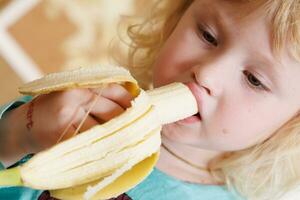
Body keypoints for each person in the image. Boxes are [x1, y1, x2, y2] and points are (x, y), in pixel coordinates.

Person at [0, 0, 300, 199]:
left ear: (293, 123)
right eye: (208, 35)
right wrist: (17, 134)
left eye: (254, 80)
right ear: (177, 18)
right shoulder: (76, 112)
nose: (207, 74)